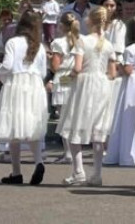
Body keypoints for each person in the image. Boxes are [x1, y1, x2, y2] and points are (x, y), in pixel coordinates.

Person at [59, 6, 116, 186]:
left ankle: (78, 171)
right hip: (102, 85)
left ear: (90, 20)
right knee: (98, 131)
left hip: (84, 85)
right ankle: (97, 173)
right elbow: (112, 73)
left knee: (76, 126)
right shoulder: (108, 44)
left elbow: (77, 67)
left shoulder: (82, 41)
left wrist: (69, 77)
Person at [0, 9, 48, 185]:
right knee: (32, 126)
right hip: (35, 86)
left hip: (16, 85)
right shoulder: (40, 46)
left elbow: (7, 66)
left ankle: (16, 172)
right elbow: (43, 72)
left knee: (14, 127)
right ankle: (38, 161)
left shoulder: (13, 42)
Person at [105, 17, 135, 167]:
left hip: (133, 84)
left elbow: (128, 70)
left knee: (128, 119)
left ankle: (128, 153)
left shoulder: (130, 49)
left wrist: (118, 65)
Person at [49, 12, 80, 164]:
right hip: (75, 80)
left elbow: (55, 66)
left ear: (61, 25)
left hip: (62, 80)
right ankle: (74, 153)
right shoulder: (80, 41)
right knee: (73, 118)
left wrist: (50, 60)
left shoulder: (58, 43)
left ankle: (68, 152)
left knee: (63, 118)